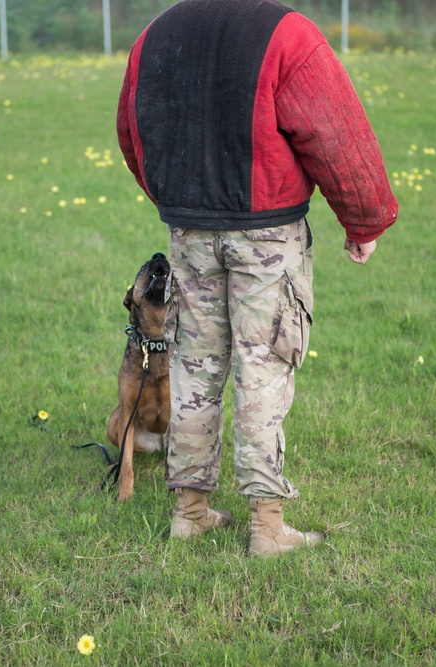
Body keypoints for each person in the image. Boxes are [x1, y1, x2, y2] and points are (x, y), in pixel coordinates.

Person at [116, 0, 397, 556]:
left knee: (193, 369)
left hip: (190, 231)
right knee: (262, 369)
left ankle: (190, 513)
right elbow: (335, 132)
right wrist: (364, 217)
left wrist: (176, 202)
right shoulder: (287, 33)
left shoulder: (154, 35)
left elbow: (134, 136)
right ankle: (267, 527)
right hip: (267, 233)